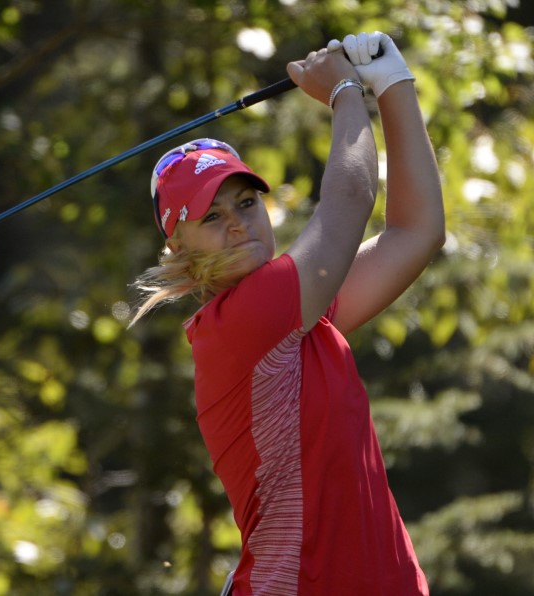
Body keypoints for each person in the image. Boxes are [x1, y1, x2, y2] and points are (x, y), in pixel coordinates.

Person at [130, 32, 444, 595]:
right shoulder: (243, 323)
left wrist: (394, 86)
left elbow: (415, 232)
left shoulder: (299, 322)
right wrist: (345, 91)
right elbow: (349, 199)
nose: (238, 224)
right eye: (211, 215)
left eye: (246, 203)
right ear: (179, 249)